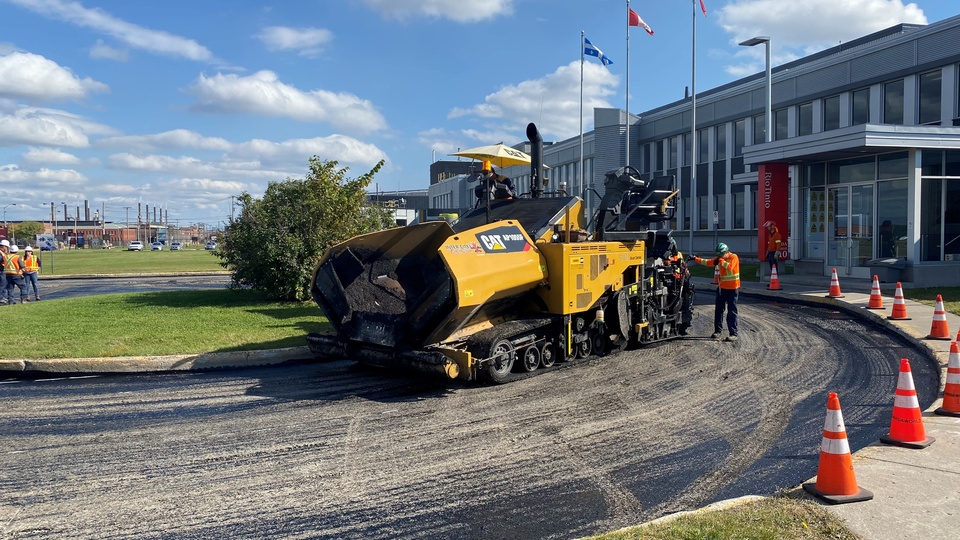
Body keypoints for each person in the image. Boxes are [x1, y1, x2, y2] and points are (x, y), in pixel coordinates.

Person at [692, 242, 740, 342]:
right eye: (718, 255)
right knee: (718, 310)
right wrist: (696, 259)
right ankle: (717, 331)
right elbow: (708, 262)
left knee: (732, 311)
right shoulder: (719, 258)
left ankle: (733, 333)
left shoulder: (733, 257)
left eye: (721, 255)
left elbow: (730, 267)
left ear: (726, 252)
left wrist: (721, 260)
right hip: (722, 289)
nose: (719, 257)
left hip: (733, 289)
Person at [664, 237, 694, 335]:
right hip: (670, 282)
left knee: (685, 302)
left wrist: (686, 273)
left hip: (680, 281)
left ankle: (683, 325)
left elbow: (683, 267)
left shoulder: (678, 255)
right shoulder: (664, 256)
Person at [0, 240, 9, 305]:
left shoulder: (2, 253)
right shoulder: (0, 254)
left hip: (3, 271)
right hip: (1, 271)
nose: (7, 249)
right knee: (2, 285)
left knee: (4, 284)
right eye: (6, 247)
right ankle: (1, 298)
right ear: (3, 246)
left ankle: (3, 297)